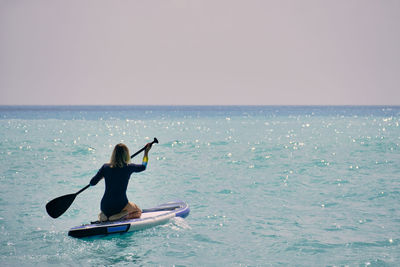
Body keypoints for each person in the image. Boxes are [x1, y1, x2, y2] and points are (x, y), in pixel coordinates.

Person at [89, 142, 152, 222]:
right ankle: (122, 217)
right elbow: (144, 166)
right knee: (138, 211)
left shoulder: (105, 167)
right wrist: (146, 152)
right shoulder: (129, 167)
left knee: (108, 210)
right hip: (120, 205)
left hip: (105, 206)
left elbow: (92, 183)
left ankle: (105, 217)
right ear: (126, 155)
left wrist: (103, 175)